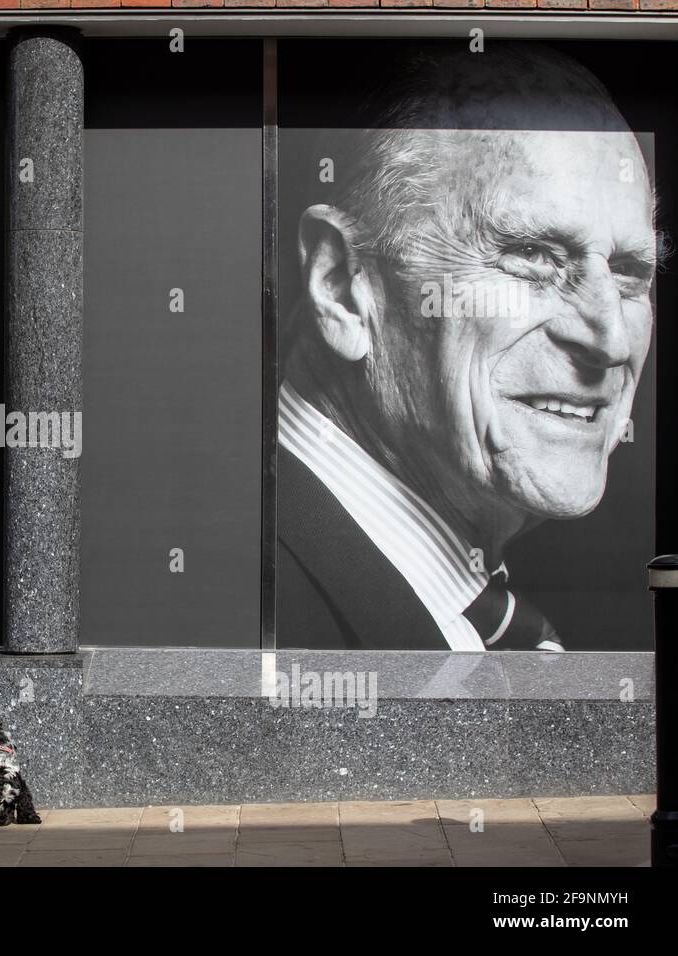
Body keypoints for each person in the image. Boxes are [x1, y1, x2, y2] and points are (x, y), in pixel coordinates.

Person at [278, 43, 662, 651]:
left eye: (629, 273)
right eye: (533, 257)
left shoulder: (473, 596)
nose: (610, 339)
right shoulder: (235, 616)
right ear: (342, 290)